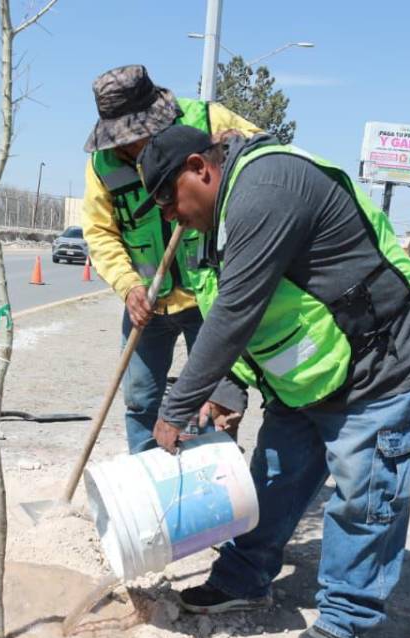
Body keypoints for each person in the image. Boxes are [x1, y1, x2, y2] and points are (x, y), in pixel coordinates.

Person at [137, 125, 410, 638]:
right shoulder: (217, 219)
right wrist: (225, 387)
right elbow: (227, 311)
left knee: (365, 490)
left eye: (168, 197)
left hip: (379, 360)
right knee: (274, 479)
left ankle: (348, 614)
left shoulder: (265, 188)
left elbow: (237, 310)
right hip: (309, 371)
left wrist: (176, 407)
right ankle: (245, 580)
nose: (168, 215)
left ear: (199, 167)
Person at [82, 65, 260, 453]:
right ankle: (147, 481)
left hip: (210, 298)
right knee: (141, 399)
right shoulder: (102, 166)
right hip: (149, 303)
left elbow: (264, 158)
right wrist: (128, 286)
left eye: (137, 134)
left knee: (216, 401)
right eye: (122, 138)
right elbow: (100, 232)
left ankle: (215, 482)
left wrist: (235, 144)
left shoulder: (208, 119)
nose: (130, 147)